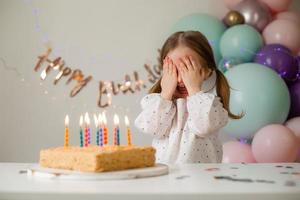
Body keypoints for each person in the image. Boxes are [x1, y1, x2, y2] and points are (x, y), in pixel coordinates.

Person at [135, 31, 242, 164]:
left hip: (202, 178)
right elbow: (151, 128)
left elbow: (203, 127)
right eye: (173, 71)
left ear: (207, 71)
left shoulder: (210, 104)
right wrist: (166, 94)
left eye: (187, 69)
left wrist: (193, 89)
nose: (180, 79)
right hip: (165, 178)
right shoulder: (157, 102)